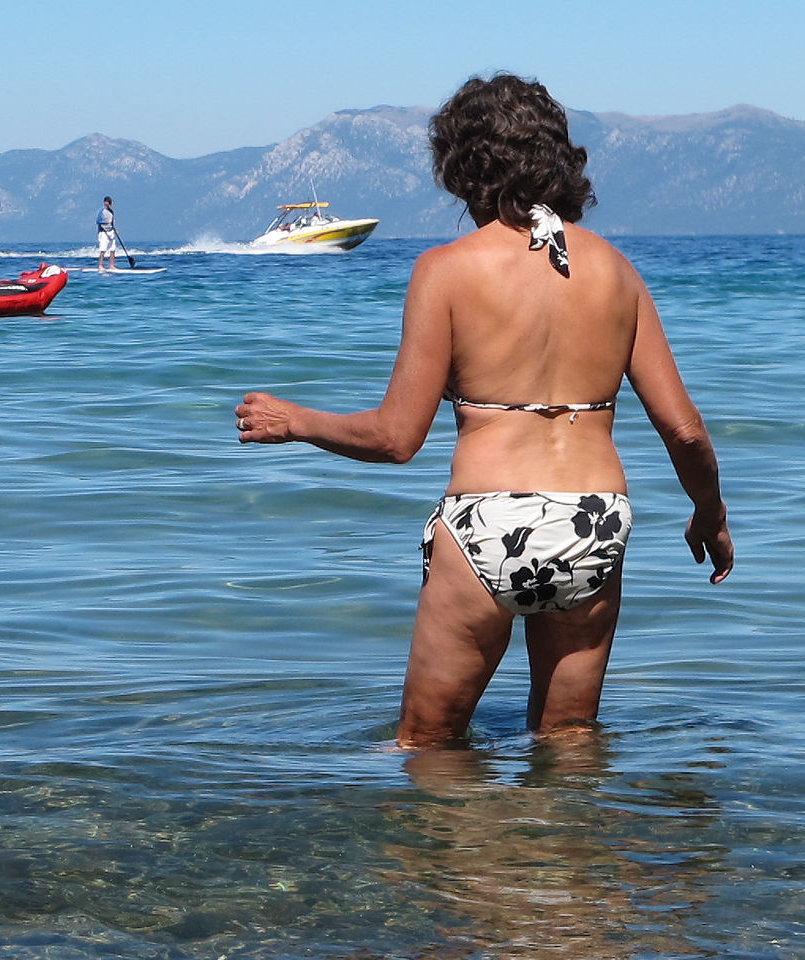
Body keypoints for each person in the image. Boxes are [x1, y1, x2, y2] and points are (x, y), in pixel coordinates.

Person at [233, 73, 733, 748]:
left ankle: (463, 856)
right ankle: (570, 854)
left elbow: (395, 437)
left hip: (488, 523)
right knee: (569, 745)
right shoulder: (617, 272)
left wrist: (294, 422)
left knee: (427, 747)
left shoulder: (446, 270)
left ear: (463, 167)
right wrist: (710, 513)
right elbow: (684, 429)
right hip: (595, 525)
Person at [96, 196, 117, 270]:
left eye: (110, 202)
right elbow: (98, 221)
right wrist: (105, 222)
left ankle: (111, 265)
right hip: (103, 232)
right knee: (103, 249)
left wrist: (115, 230)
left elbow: (112, 223)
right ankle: (100, 265)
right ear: (105, 202)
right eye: (108, 202)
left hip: (111, 232)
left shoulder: (111, 212)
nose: (109, 204)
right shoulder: (101, 211)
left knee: (112, 249)